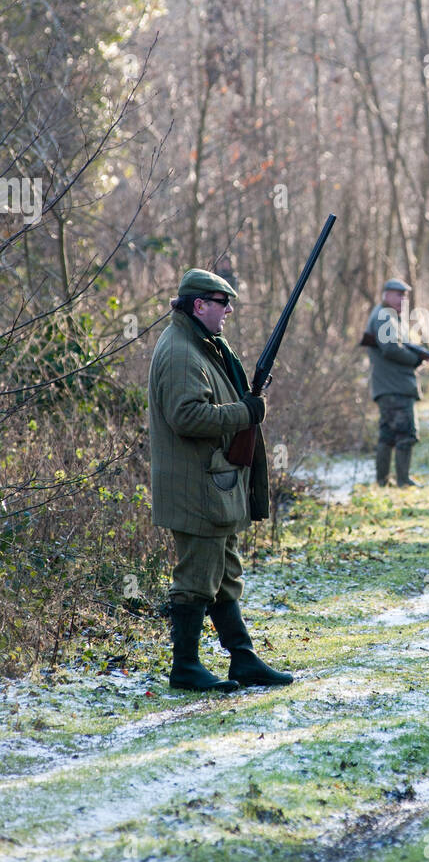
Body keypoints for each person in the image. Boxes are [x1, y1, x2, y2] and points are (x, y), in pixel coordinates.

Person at [148, 267, 294, 692]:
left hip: (214, 485)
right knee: (196, 579)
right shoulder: (180, 351)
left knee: (226, 573)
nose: (228, 309)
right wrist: (247, 412)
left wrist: (245, 399)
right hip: (196, 489)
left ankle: (243, 660)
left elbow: (214, 400)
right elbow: (187, 415)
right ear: (199, 305)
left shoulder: (203, 344)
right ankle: (186, 668)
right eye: (221, 302)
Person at [364, 278, 429, 488]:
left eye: (404, 295)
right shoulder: (385, 316)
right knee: (405, 434)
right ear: (385, 295)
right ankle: (403, 481)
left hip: (390, 385)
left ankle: (383, 481)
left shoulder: (390, 317)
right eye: (397, 294)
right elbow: (391, 348)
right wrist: (415, 359)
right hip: (394, 386)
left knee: (388, 435)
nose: (402, 299)